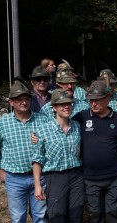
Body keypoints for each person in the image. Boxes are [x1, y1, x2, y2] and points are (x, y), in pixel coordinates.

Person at [72, 80, 117, 223]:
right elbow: (63, 127)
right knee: (95, 215)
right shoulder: (81, 117)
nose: (93, 103)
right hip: (91, 178)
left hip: (115, 177)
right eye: (91, 100)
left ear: (108, 98)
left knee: (114, 214)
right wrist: (38, 135)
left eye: (97, 100)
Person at [0, 81, 47, 222]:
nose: (23, 102)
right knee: (18, 217)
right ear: (11, 102)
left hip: (40, 177)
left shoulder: (43, 120)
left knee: (40, 216)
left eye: (26, 98)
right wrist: (0, 171)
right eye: (19, 99)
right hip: (14, 178)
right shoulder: (1, 123)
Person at [32, 89, 85, 222]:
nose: (66, 107)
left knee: (76, 215)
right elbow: (38, 159)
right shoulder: (43, 130)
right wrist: (37, 185)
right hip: (55, 177)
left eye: (69, 103)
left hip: (76, 176)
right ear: (54, 107)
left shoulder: (77, 126)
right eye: (62, 104)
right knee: (57, 215)